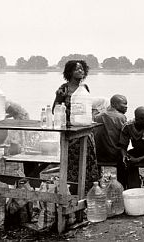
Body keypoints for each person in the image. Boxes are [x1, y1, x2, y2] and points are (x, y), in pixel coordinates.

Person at [52, 59, 101, 194]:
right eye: (76, 69)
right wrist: (58, 98)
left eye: (82, 69)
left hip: (85, 130)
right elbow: (54, 111)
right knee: (73, 162)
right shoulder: (64, 88)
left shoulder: (85, 88)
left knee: (89, 159)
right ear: (69, 72)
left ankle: (89, 191)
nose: (80, 71)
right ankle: (73, 190)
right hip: (71, 132)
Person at [93, 94, 129, 180]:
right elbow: (125, 140)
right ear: (114, 104)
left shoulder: (97, 117)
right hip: (114, 155)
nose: (126, 107)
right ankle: (123, 185)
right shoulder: (121, 117)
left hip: (97, 155)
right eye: (124, 104)